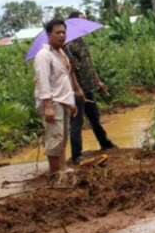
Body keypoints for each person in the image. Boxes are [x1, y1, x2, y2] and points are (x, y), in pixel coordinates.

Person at [34, 19, 83, 178]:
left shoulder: (61, 53)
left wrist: (72, 101)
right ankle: (55, 173)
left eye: (63, 32)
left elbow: (65, 79)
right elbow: (43, 81)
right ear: (49, 34)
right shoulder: (43, 55)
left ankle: (62, 167)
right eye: (58, 33)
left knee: (63, 137)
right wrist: (47, 105)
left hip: (64, 100)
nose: (62, 35)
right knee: (55, 138)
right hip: (53, 101)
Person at [66, 11, 116, 165]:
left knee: (95, 117)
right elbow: (71, 70)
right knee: (77, 121)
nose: (85, 22)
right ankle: (76, 155)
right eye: (82, 20)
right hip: (77, 90)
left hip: (89, 87)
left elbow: (89, 65)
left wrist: (98, 81)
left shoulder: (81, 41)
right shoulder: (68, 46)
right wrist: (77, 89)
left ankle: (104, 143)